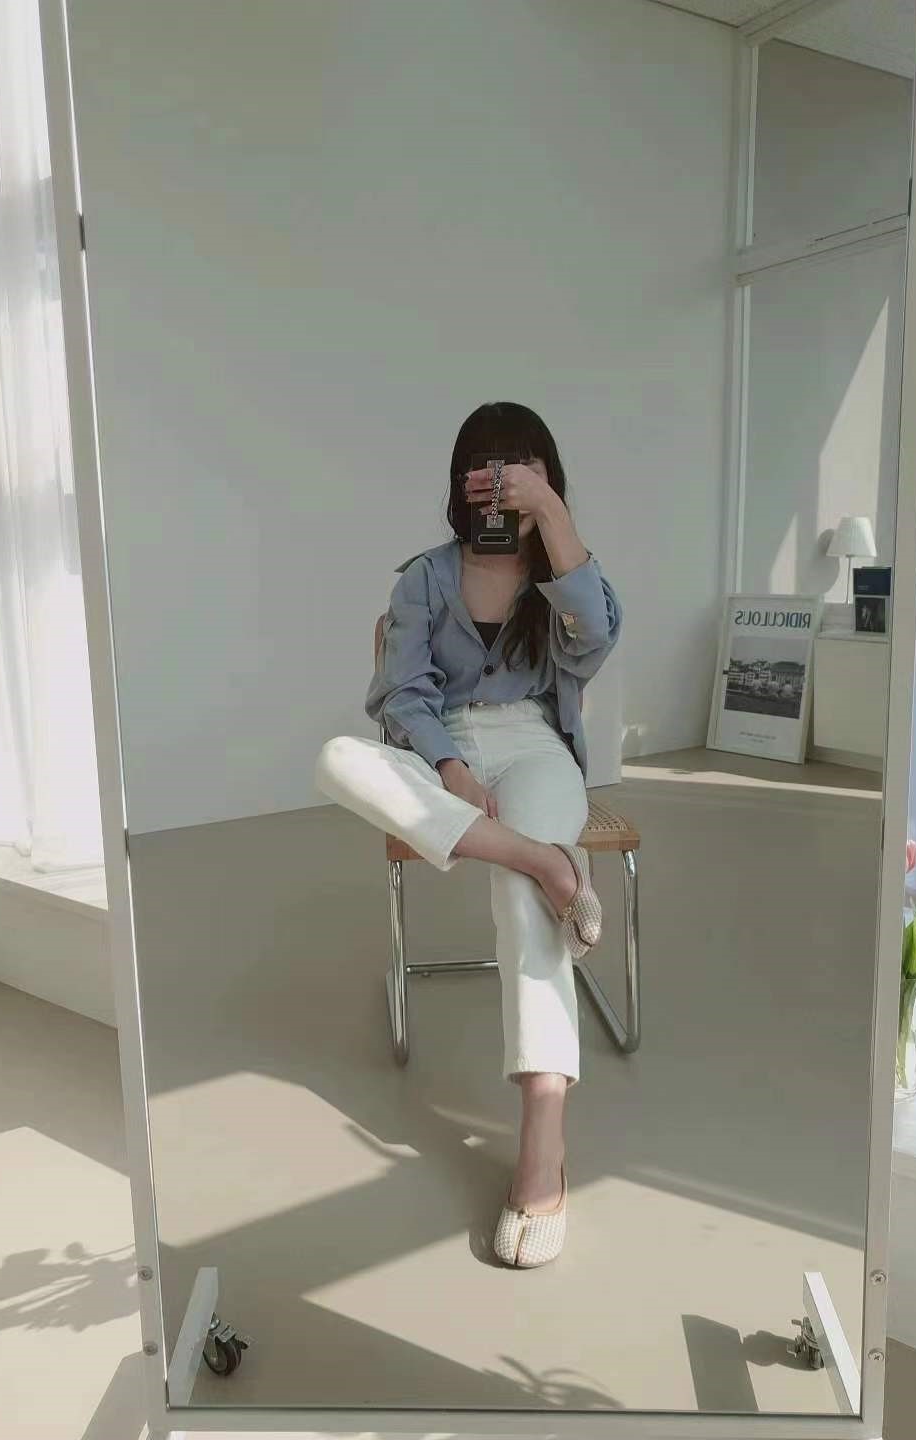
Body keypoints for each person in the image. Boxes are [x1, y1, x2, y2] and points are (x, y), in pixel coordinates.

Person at [315, 401, 622, 1267]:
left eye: (520, 467)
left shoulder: (563, 573)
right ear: (460, 482)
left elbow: (595, 642)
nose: (499, 483)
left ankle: (542, 1148)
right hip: (437, 748)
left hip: (534, 744)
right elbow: (401, 695)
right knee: (336, 760)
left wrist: (550, 516)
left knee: (521, 908)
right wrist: (450, 769)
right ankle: (547, 862)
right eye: (484, 468)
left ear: (544, 477)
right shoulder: (424, 577)